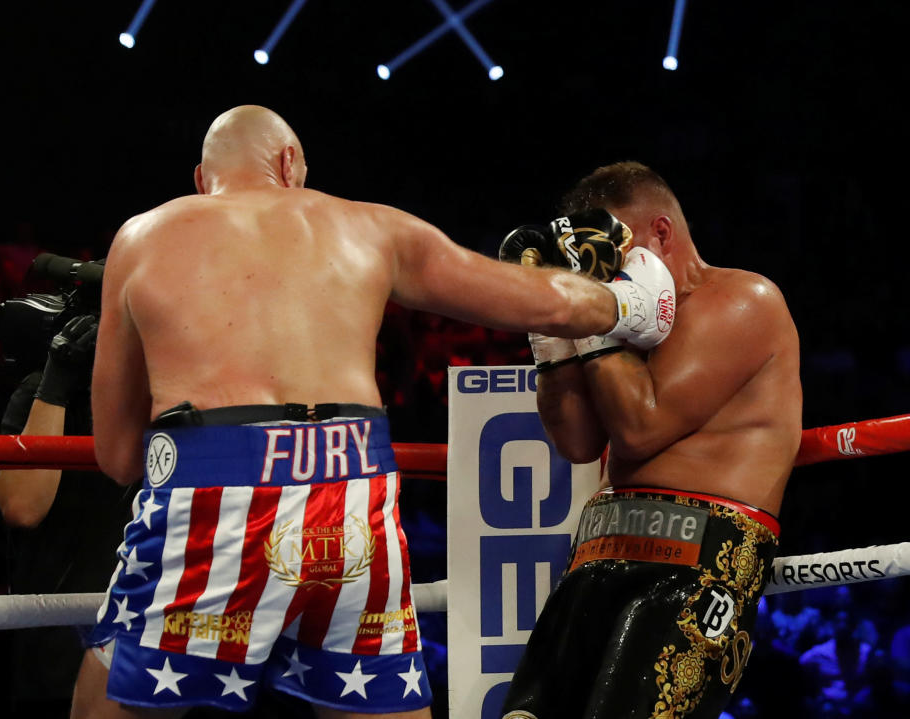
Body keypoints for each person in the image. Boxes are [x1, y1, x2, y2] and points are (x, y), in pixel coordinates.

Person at [70, 106, 671, 719]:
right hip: (351, 497)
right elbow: (534, 299)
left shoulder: (144, 235)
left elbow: (116, 456)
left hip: (213, 497)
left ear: (202, 179)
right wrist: (631, 302)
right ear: (289, 164)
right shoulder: (367, 226)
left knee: (107, 698)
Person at [499, 161, 802, 719]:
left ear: (660, 233)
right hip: (596, 556)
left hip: (699, 561)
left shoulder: (741, 299)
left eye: (611, 247)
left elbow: (640, 427)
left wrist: (597, 312)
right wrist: (550, 329)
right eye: (586, 257)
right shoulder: (632, 327)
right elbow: (578, 442)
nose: (600, 268)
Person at [0, 313, 138, 716]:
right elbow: (22, 508)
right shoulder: (47, 390)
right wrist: (55, 385)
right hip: (56, 650)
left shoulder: (179, 394)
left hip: (153, 646)